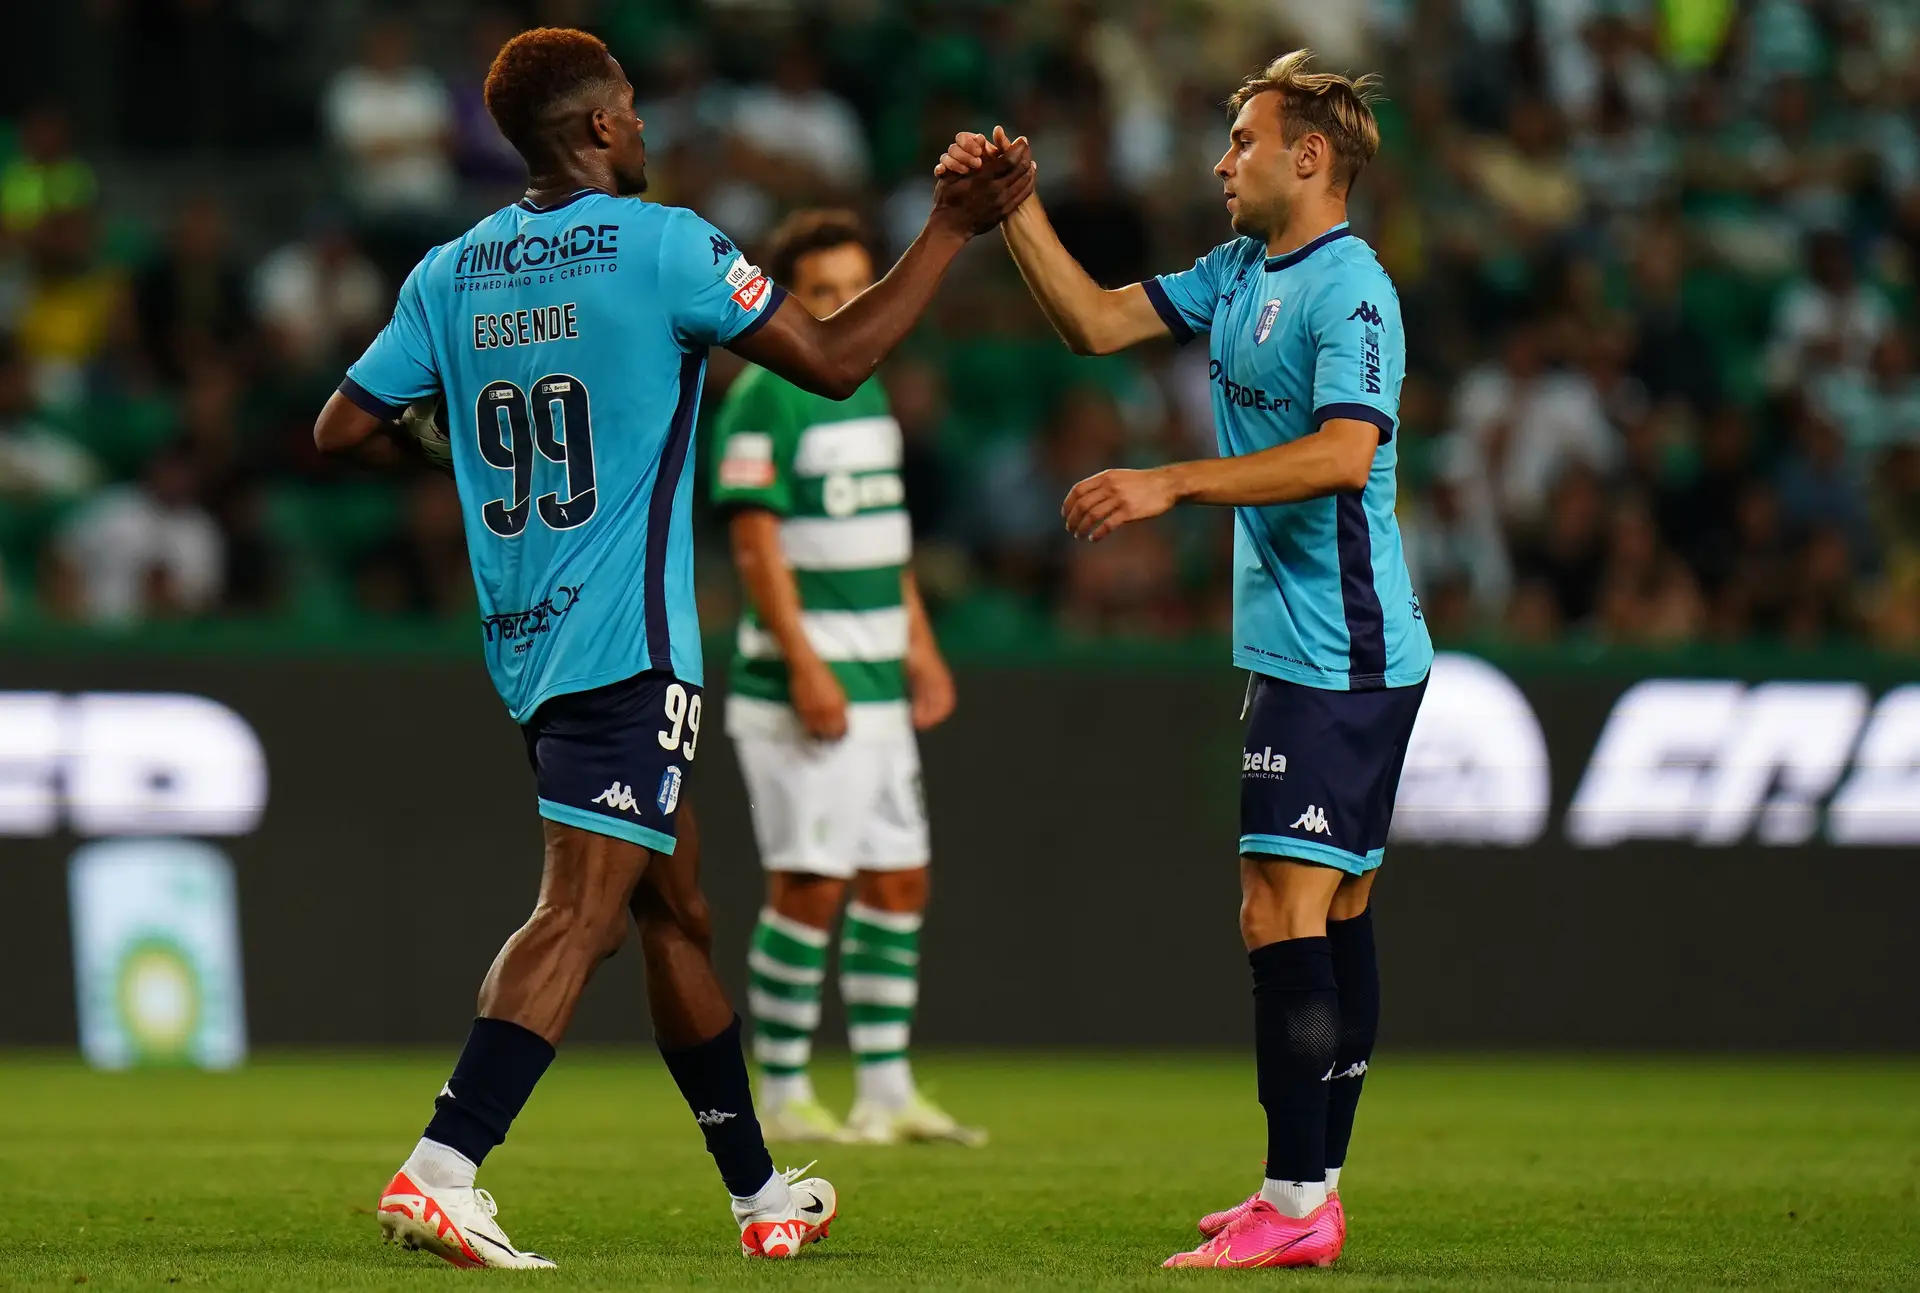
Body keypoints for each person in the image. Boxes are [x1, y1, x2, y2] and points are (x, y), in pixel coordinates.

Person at [312, 26, 1033, 1270]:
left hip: (528, 638)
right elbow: (839, 358)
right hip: (625, 641)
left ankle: (757, 1194)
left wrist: (456, 451)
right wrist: (953, 231)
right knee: (584, 907)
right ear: (594, 127)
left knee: (677, 912)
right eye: (632, 108)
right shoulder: (664, 246)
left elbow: (339, 427)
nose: (643, 126)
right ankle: (444, 1163)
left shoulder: (452, 269)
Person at [940, 48, 1431, 1269]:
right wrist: (1016, 213)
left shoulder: (1353, 290)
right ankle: (1311, 1190)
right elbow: (1096, 322)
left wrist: (1169, 481)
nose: (1223, 163)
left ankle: (1298, 1198)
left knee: (1280, 911)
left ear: (1309, 157)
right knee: (1333, 912)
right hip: (1306, 643)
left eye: (1246, 143)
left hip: (1344, 648)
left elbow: (1340, 456)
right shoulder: (1239, 271)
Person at [708, 209, 981, 1148]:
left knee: (899, 878)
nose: (843, 309)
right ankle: (780, 1089)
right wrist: (806, 666)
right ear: (785, 300)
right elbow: (753, 545)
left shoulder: (864, 392)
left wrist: (921, 645)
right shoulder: (761, 396)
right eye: (821, 293)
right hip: (802, 684)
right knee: (811, 883)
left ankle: (885, 1088)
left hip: (877, 679)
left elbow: (882, 541)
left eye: (856, 290)